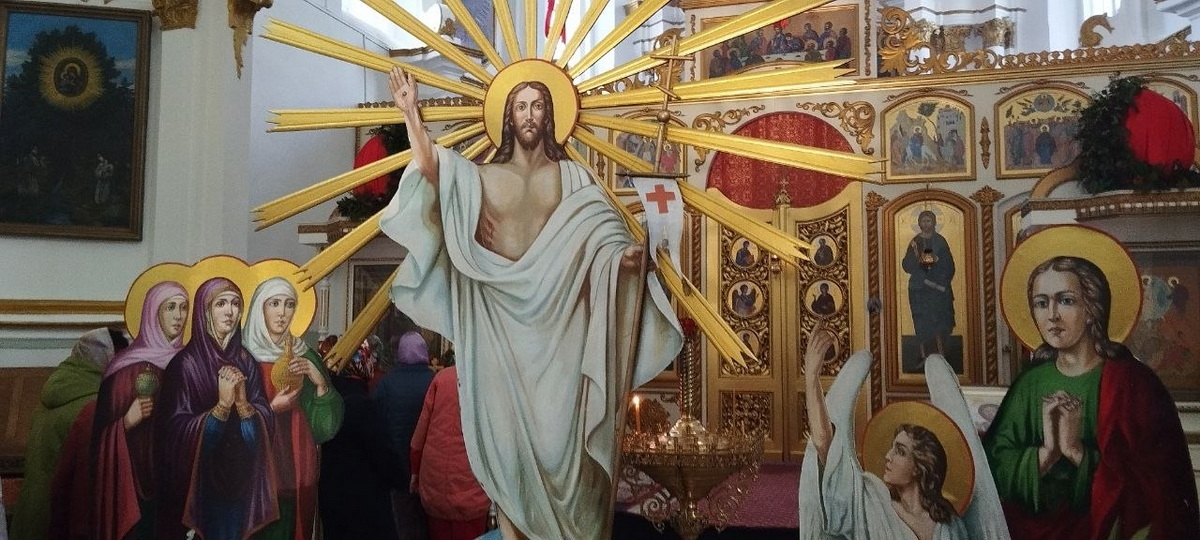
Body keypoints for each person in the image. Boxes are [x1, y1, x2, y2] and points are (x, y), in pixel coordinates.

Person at [378, 66, 682, 539]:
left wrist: (625, 259)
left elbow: (605, 241)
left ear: (551, 114)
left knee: (567, 454)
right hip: (499, 334)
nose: (529, 114)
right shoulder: (481, 179)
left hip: (561, 341)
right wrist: (410, 114)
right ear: (507, 116)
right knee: (507, 452)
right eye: (520, 106)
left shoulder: (574, 178)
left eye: (538, 105)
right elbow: (434, 168)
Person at [984, 255, 1200, 539]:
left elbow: (1160, 484)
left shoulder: (1134, 383)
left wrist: (1076, 452)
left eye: (1066, 300)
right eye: (1041, 303)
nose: (1052, 315)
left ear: (1091, 309)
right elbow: (993, 465)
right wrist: (1046, 455)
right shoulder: (1029, 384)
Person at [800, 331, 1011, 540]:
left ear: (920, 466)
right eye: (892, 448)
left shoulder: (948, 525)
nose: (888, 456)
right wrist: (811, 377)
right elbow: (826, 446)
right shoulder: (871, 501)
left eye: (900, 451)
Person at [154, 277, 277, 539]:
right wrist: (221, 407)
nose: (230, 311)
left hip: (241, 484)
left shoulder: (246, 361)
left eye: (235, 304)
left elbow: (263, 433)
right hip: (200, 489)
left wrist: (243, 405)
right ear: (204, 312)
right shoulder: (184, 365)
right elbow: (173, 436)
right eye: (221, 304)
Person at [87, 281, 190, 540]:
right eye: (170, 308)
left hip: (178, 480)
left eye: (184, 308)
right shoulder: (122, 370)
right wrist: (126, 423)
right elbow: (98, 443)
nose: (179, 316)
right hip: (136, 487)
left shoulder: (189, 363)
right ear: (153, 313)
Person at [244, 277, 344, 540]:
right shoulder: (241, 356)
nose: (282, 312)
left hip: (296, 466)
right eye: (274, 303)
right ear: (260, 308)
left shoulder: (305, 356)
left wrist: (320, 383)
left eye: (289, 305)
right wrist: (271, 409)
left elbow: (324, 429)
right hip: (252, 473)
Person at [10, 328, 126, 540]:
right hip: (60, 523)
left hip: (31, 515)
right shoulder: (93, 409)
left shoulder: (56, 392)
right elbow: (86, 493)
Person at [410, 357, 491, 540]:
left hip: (434, 481)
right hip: (471, 485)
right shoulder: (488, 382)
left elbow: (418, 438)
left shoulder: (441, 378)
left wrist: (415, 471)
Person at [319, 365, 403, 540]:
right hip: (366, 504)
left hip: (330, 501)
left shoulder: (320, 406)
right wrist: (401, 479)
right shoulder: (362, 406)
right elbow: (385, 455)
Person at [372, 331, 437, 538]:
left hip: (396, 463)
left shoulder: (386, 383)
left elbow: (375, 423)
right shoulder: (434, 381)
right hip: (427, 465)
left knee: (402, 521)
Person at [902, 210, 955, 360]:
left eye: (928, 221)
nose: (926, 224)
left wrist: (938, 260)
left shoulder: (940, 241)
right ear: (919, 223)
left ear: (934, 223)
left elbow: (949, 265)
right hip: (919, 290)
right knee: (922, 323)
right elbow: (907, 265)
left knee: (939, 321)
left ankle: (941, 354)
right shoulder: (915, 242)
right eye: (923, 221)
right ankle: (924, 356)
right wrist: (917, 262)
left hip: (938, 290)